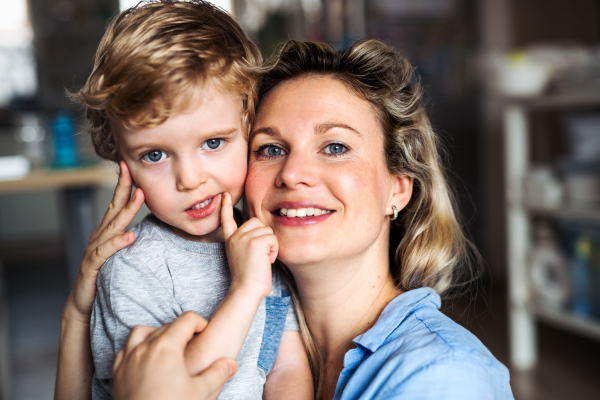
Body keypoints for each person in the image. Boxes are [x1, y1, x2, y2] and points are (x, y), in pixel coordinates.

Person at [57, 39, 515, 400]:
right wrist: (77, 317)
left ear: (397, 188)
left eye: (335, 147)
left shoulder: (444, 378)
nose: (293, 174)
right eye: (270, 149)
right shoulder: (246, 290)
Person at [59, 1, 313, 399]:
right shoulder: (133, 271)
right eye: (155, 155)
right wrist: (245, 290)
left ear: (251, 128)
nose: (190, 179)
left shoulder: (262, 236)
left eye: (213, 143)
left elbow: (286, 367)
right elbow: (177, 388)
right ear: (122, 160)